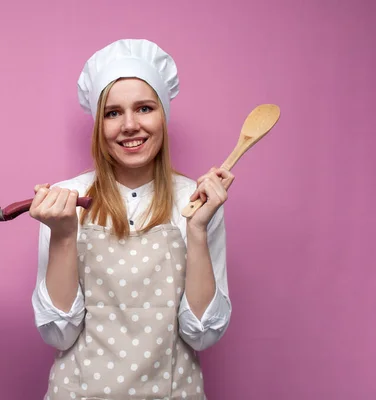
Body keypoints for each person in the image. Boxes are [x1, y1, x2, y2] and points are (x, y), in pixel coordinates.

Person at [29, 38, 235, 400]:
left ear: (163, 115)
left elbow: (202, 335)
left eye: (144, 108)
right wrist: (63, 235)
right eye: (112, 113)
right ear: (99, 124)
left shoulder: (196, 201)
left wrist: (198, 230)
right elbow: (58, 333)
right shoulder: (65, 200)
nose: (129, 125)